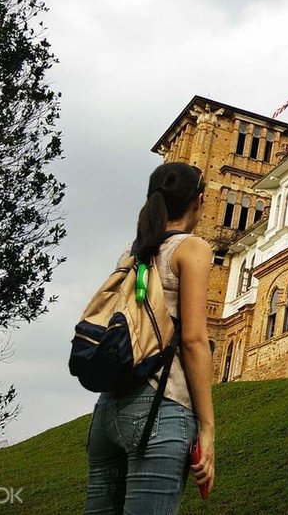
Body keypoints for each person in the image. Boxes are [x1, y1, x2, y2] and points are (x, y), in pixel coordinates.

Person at [84, 162, 216, 514]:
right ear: (199, 202)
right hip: (161, 408)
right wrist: (208, 427)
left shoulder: (132, 252)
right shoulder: (192, 248)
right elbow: (193, 341)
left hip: (107, 411)